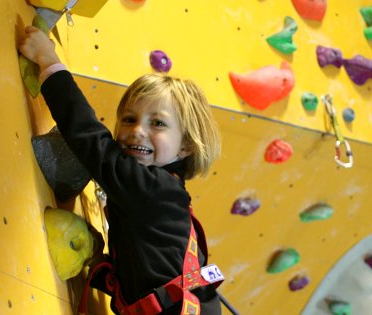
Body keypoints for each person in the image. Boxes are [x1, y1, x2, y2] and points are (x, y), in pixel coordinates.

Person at [19, 25, 223, 315]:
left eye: (158, 123)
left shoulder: (152, 189)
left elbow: (90, 139)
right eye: (129, 119)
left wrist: (49, 62)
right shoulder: (168, 194)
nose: (137, 131)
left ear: (185, 147)